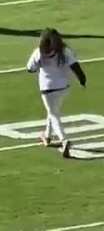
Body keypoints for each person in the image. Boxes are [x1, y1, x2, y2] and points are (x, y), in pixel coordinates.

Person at [26, 29, 86, 157]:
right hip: (64, 87)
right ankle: (47, 136)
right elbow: (76, 67)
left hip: (47, 89)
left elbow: (30, 68)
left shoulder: (39, 52)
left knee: (53, 114)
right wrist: (82, 80)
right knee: (53, 111)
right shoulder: (64, 51)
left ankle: (64, 140)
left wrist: (40, 66)